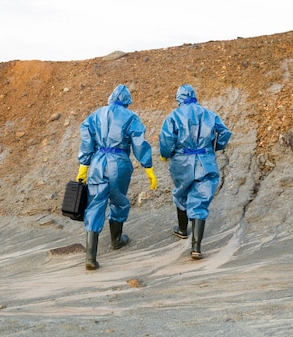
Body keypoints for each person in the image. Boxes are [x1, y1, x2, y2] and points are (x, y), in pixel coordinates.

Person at [76, 84, 157, 270]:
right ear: (127, 101)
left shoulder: (96, 115)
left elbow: (87, 140)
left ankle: (90, 258)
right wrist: (148, 167)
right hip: (119, 163)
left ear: (111, 97)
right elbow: (139, 143)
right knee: (119, 200)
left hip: (97, 163)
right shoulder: (131, 117)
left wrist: (83, 166)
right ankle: (116, 240)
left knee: (95, 204)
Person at [159, 84, 231, 259]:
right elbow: (224, 133)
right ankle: (196, 248)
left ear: (179, 98)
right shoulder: (209, 114)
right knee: (200, 200)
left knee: (181, 193)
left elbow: (167, 140)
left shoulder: (174, 116)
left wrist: (165, 154)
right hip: (205, 160)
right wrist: (213, 147)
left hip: (181, 161)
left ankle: (183, 229)